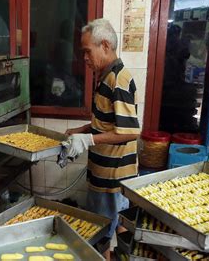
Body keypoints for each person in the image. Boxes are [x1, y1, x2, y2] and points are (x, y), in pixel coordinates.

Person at [65, 18, 140, 247]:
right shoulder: (105, 77)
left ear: (105, 45)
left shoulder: (118, 79)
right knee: (102, 232)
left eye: (87, 51)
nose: (85, 58)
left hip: (114, 179)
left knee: (107, 233)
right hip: (103, 174)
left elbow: (129, 132)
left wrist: (87, 140)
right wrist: (79, 131)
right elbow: (106, 123)